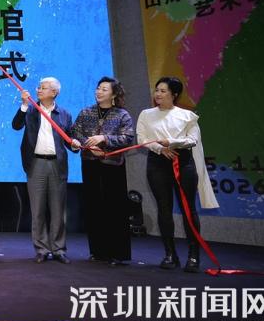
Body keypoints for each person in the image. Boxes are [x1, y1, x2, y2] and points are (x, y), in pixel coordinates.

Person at [136, 76, 218, 273]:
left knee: (188, 209)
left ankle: (193, 256)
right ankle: (170, 254)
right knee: (164, 209)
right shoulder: (146, 114)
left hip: (183, 163)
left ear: (174, 94)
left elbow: (192, 140)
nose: (158, 94)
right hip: (157, 163)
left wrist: (171, 143)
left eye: (163, 91)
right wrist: (159, 148)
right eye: (157, 90)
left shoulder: (187, 116)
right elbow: (142, 139)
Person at [12, 77, 77, 264]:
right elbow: (16, 126)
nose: (39, 90)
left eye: (44, 88)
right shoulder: (31, 110)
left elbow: (69, 139)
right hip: (36, 164)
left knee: (58, 210)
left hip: (57, 164)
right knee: (38, 210)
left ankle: (58, 249)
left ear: (54, 92)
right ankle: (41, 249)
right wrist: (24, 105)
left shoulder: (64, 114)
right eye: (39, 87)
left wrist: (75, 144)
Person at [71, 77, 134, 266]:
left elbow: (128, 137)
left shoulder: (122, 114)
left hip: (113, 166)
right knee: (94, 207)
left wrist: (104, 139)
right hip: (90, 164)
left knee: (115, 208)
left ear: (114, 94)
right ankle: (98, 251)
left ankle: (118, 253)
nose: (99, 91)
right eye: (98, 88)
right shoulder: (86, 112)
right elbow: (75, 132)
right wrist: (89, 146)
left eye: (104, 89)